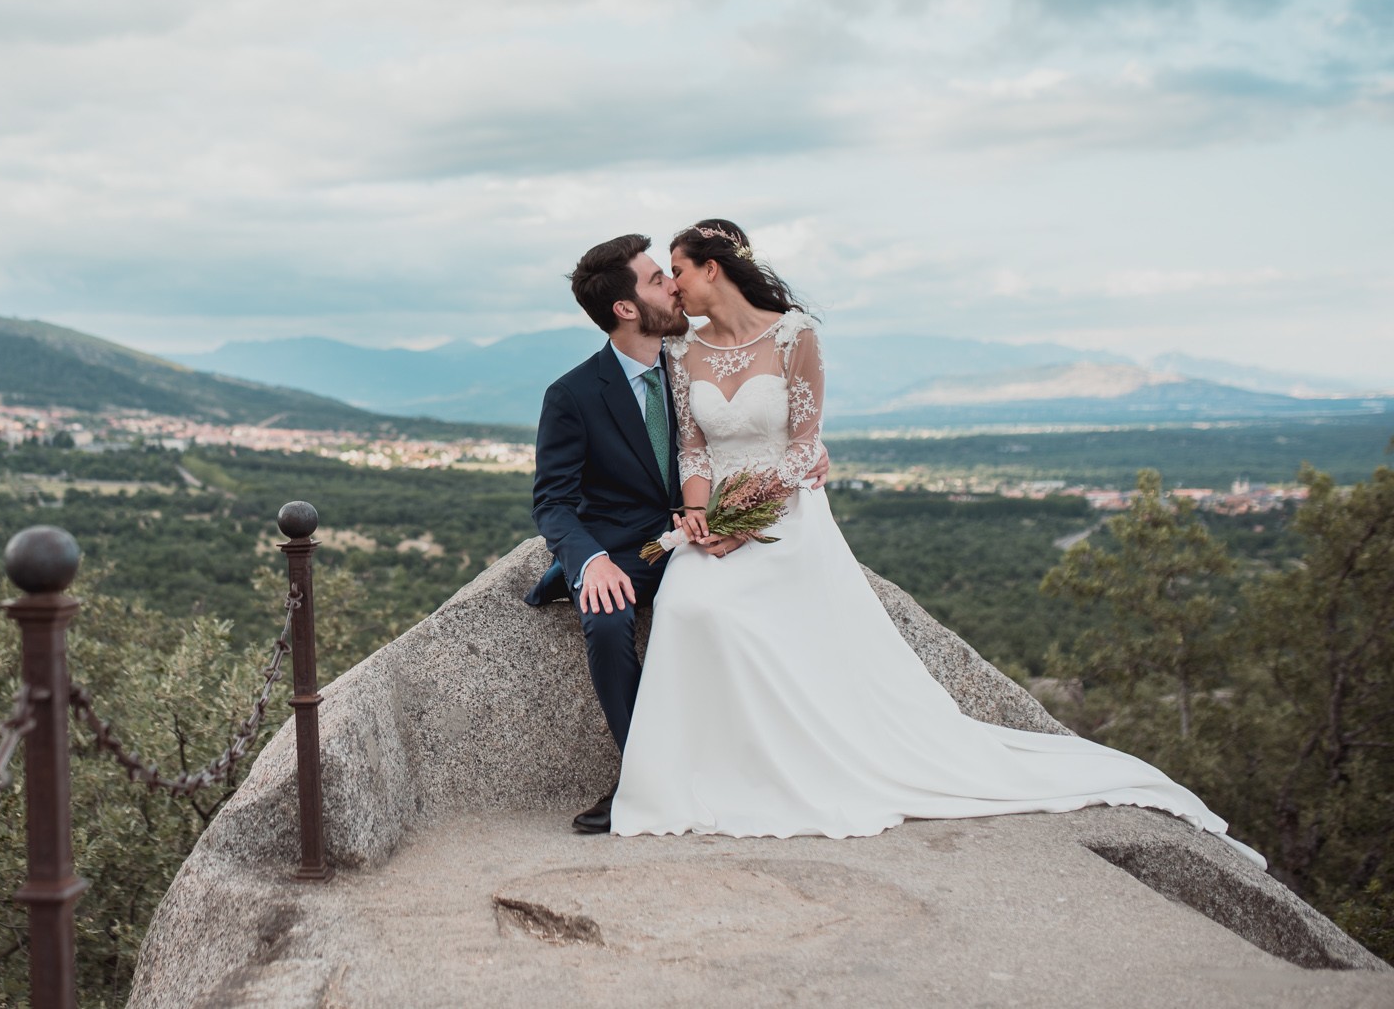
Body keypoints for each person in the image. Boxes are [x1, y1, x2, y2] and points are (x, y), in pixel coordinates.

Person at [606, 218, 1261, 866]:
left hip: (786, 519)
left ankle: (792, 769)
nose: (675, 287)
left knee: (737, 613)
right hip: (713, 516)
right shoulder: (682, 350)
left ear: (711, 269)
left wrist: (745, 519)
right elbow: (693, 445)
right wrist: (700, 518)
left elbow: (805, 446)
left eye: (680, 270)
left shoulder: (794, 335)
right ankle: (698, 778)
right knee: (689, 605)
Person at [524, 233, 827, 834]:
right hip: (629, 548)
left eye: (671, 272)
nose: (673, 284)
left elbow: (765, 424)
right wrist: (590, 563)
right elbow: (552, 502)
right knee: (607, 621)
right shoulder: (572, 396)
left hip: (716, 531)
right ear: (627, 309)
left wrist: (811, 457)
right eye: (657, 278)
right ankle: (643, 778)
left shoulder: (695, 355)